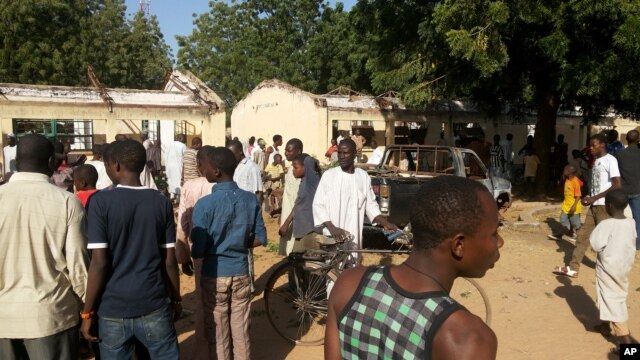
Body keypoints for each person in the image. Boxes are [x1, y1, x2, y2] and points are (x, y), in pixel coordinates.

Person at [325, 176, 502, 359]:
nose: (500, 242)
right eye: (494, 234)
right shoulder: (467, 340)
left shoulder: (349, 284)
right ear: (458, 245)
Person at [81, 140, 181, 359]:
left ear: (115, 165)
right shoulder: (161, 201)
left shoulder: (100, 203)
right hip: (154, 303)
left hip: (113, 308)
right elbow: (169, 261)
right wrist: (176, 298)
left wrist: (88, 312)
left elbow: (99, 262)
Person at [0, 134, 88, 359]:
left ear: (16, 161)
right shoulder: (67, 202)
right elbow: (78, 266)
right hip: (51, 317)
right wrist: (88, 310)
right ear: (52, 162)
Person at [190, 146, 267, 360]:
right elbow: (261, 236)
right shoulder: (250, 200)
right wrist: (239, 241)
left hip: (215, 275)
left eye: (204, 167)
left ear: (216, 172)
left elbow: (198, 250)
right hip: (241, 272)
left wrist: (207, 245)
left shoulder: (204, 205)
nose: (201, 170)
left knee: (218, 332)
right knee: (241, 331)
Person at [555, 133, 621, 278]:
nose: (590, 148)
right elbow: (598, 185)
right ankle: (573, 268)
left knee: (604, 240)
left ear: (602, 145)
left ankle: (609, 270)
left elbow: (617, 184)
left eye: (593, 145)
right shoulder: (596, 161)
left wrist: (595, 198)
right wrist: (589, 197)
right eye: (590, 145)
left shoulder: (611, 160)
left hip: (604, 206)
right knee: (582, 237)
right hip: (594, 205)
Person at [313, 139, 397, 252]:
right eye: (339, 153)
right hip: (334, 236)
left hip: (354, 237)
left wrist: (385, 223)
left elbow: (370, 206)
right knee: (333, 266)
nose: (341, 157)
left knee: (353, 266)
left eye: (346, 153)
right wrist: (332, 228)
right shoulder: (329, 176)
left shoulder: (363, 177)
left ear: (354, 154)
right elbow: (318, 205)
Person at [590, 189, 637, 348]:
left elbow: (595, 244)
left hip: (608, 270)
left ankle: (628, 347)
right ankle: (604, 325)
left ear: (609, 206)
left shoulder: (606, 225)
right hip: (623, 268)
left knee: (612, 301)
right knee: (608, 296)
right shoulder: (631, 222)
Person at [176, 173, 214, 360]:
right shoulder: (223, 183)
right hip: (222, 253)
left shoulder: (189, 186)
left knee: (202, 301)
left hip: (197, 251)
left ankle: (203, 352)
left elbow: (183, 224)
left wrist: (182, 257)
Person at [279, 153, 323, 252]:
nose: (293, 171)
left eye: (295, 167)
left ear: (306, 167)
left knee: (311, 265)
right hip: (300, 232)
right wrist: (286, 223)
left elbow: (309, 161)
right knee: (296, 262)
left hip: (311, 233)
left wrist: (306, 159)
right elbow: (298, 204)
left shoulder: (311, 182)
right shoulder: (303, 183)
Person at [615, 129, 640, 249]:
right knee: (638, 218)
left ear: (626, 139)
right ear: (638, 140)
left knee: (618, 217)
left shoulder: (619, 154)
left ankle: (617, 241)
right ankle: (638, 244)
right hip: (637, 190)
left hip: (622, 190)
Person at [278, 138, 303, 255]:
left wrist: (287, 222)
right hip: (288, 215)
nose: (286, 153)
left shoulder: (301, 172)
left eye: (289, 150)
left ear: (298, 152)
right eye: (285, 150)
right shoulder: (291, 170)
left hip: (296, 219)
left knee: (295, 251)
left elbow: (300, 200)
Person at [548, 164, 582, 242]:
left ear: (570, 172)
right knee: (563, 221)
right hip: (566, 206)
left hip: (574, 207)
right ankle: (559, 235)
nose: (563, 171)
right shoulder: (567, 179)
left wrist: (574, 206)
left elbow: (578, 196)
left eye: (565, 170)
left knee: (575, 223)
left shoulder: (575, 181)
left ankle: (580, 237)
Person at [228, 139, 263, 204]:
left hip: (248, 207)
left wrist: (257, 212)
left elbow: (258, 193)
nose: (230, 157)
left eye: (232, 154)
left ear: (240, 151)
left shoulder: (252, 167)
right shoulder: (235, 167)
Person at [165, 134, 187, 200]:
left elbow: (165, 156)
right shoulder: (183, 146)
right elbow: (185, 157)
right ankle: (178, 198)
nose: (185, 140)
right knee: (178, 180)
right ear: (180, 138)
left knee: (171, 180)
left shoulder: (169, 145)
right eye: (184, 138)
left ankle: (172, 196)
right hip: (179, 166)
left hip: (169, 166)